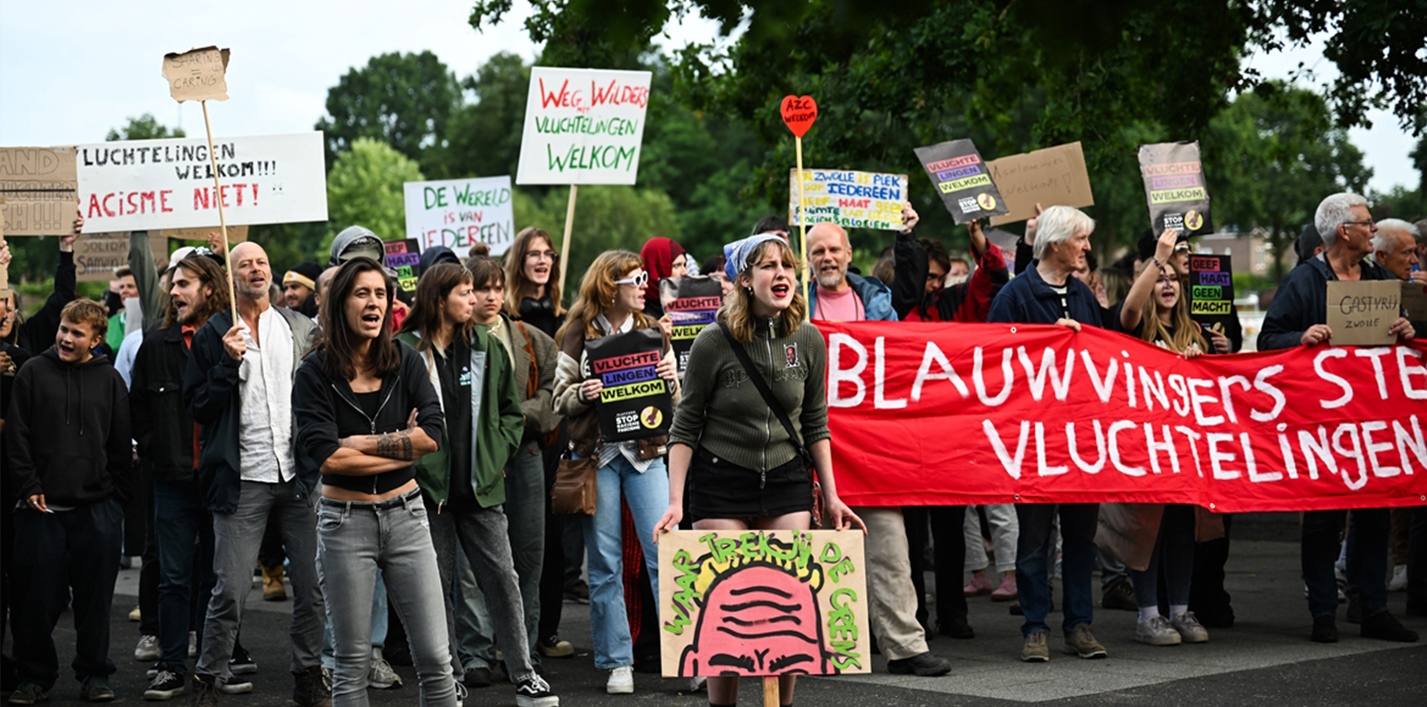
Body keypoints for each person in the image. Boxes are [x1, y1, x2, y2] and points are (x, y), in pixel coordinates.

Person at [653, 234, 865, 707]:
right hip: (720, 481)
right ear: (745, 281)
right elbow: (684, 427)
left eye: (787, 265)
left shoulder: (809, 339)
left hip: (788, 482)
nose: (782, 273)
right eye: (768, 266)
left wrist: (831, 497)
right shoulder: (713, 341)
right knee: (728, 618)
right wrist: (674, 501)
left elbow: (816, 423)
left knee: (784, 616)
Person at [290, 257, 461, 707]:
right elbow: (326, 457)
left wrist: (361, 442)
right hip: (344, 523)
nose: (374, 303)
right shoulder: (312, 373)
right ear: (340, 303)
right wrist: (399, 442)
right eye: (362, 293)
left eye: (381, 294)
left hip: (407, 515)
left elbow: (431, 437)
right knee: (351, 663)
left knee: (436, 659)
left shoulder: (404, 359)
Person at [394, 262, 558, 706]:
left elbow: (511, 412)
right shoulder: (404, 349)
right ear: (438, 298)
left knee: (503, 578)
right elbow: (388, 416)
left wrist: (496, 454)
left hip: (482, 488)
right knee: (436, 587)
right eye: (465, 292)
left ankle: (524, 672)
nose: (474, 300)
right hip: (430, 493)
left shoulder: (487, 344)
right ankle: (451, 676)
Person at [1257, 193, 1417, 644]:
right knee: (1324, 519)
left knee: (1374, 516)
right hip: (1321, 424)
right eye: (1367, 223)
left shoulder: (1379, 279)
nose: (1374, 229)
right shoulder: (1304, 281)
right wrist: (1300, 336)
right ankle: (1324, 611)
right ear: (1343, 231)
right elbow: (1268, 340)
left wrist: (1407, 329)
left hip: (1370, 423)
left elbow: (1402, 336)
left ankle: (1374, 609)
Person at [182, 242, 329, 706]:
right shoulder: (213, 335)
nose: (256, 269)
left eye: (262, 261)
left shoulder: (297, 327)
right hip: (242, 479)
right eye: (245, 263)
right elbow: (198, 408)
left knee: (313, 586)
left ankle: (307, 674)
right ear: (231, 277)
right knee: (228, 590)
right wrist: (227, 363)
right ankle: (208, 679)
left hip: (298, 477)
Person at [802, 221, 952, 675]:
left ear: (850, 254)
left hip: (869, 448)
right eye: (817, 251)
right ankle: (825, 646)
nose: (827, 258)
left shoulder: (877, 304)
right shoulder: (792, 310)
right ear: (807, 259)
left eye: (834, 249)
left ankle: (905, 647)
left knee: (888, 542)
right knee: (818, 548)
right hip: (811, 447)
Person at [552, 251, 680, 695]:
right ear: (610, 285)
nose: (644, 285)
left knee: (663, 555)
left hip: (646, 456)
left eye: (644, 278)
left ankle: (682, 656)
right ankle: (616, 662)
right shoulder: (576, 333)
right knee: (605, 565)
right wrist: (582, 393)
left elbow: (677, 402)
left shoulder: (651, 331)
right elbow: (557, 401)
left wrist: (671, 378)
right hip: (598, 457)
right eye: (635, 279)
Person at [987, 205, 1109, 663]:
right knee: (1034, 539)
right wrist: (1042, 342)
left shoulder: (1082, 295)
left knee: (1081, 537)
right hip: (1033, 441)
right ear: (1056, 242)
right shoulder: (1015, 296)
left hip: (1081, 440)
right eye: (1080, 238)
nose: (1087, 247)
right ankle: (1035, 626)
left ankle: (1079, 626)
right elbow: (992, 362)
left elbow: (1105, 358)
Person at [6, 299, 131, 704]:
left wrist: (114, 501)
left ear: (96, 340)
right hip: (40, 509)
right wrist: (27, 486)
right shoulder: (32, 372)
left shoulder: (110, 380)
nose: (65, 337)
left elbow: (118, 442)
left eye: (77, 333)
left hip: (96, 509)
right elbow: (17, 437)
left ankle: (95, 674)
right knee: (34, 601)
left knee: (95, 603)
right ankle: (34, 677)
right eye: (64, 329)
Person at [1107, 229, 1223, 646]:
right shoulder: (1136, 328)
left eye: (1173, 277)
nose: (1167, 284)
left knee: (1180, 529)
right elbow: (1129, 309)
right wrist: (1158, 259)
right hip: (1145, 448)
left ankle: (1180, 610)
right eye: (1160, 278)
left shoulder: (1197, 332)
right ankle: (1148, 615)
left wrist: (1210, 358)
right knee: (1146, 531)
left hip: (1186, 450)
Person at [130, 255, 232, 700]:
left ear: (210, 288)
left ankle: (213, 667)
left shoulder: (232, 338)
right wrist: (157, 450)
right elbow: (137, 410)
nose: (174, 292)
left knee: (218, 579)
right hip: (171, 479)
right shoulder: (156, 344)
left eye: (184, 283)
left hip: (220, 477)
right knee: (172, 579)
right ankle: (171, 664)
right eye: (173, 285)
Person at [459, 255, 563, 681]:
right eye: (482, 288)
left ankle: (522, 648)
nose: (491, 296)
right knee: (470, 564)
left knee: (527, 555)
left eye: (498, 288)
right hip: (470, 458)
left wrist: (509, 423)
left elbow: (555, 396)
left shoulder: (532, 339)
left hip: (523, 455)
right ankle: (476, 651)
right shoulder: (452, 339)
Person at [502, 227, 578, 660]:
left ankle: (546, 630)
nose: (543, 260)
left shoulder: (566, 315)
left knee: (553, 533)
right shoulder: (507, 314)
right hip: (522, 436)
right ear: (520, 261)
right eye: (534, 254)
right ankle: (510, 634)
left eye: (549, 253)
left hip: (559, 432)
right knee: (516, 535)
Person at [637, 237, 688, 317]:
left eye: (684, 265)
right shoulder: (636, 312)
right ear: (656, 269)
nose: (685, 272)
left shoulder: (689, 303)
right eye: (676, 265)